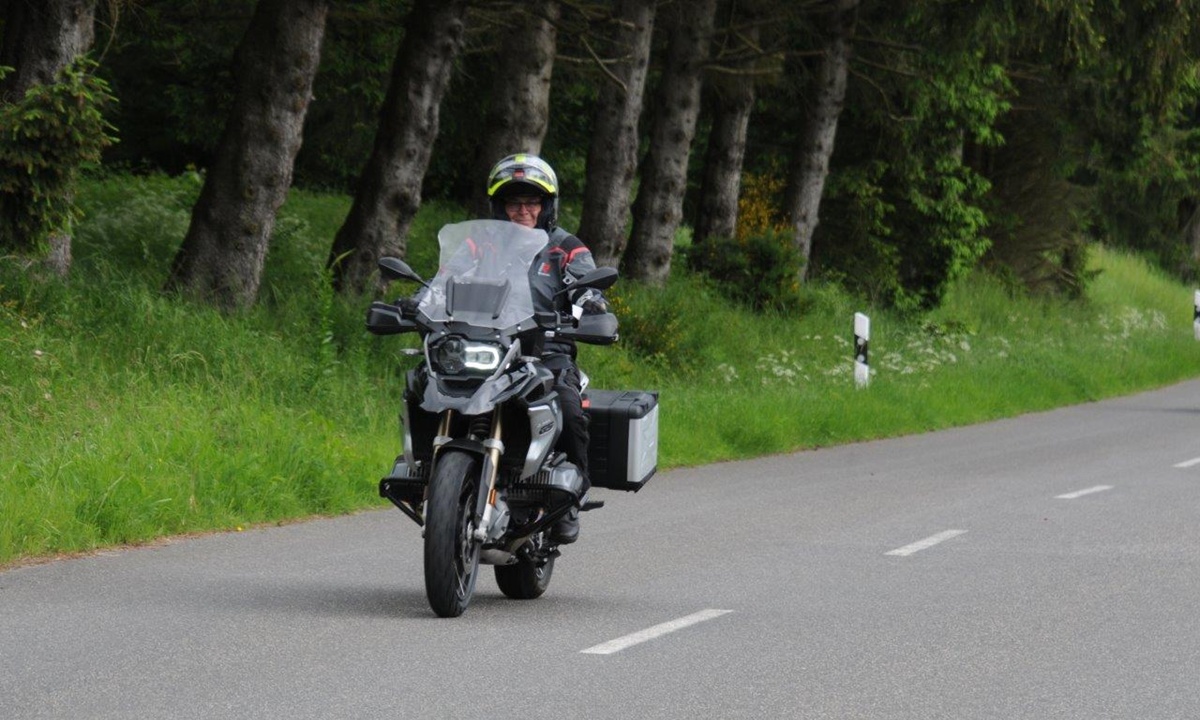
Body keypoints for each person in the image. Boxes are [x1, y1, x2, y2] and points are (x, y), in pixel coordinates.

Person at [484, 153, 607, 544]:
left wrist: (591, 301)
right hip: (487, 345)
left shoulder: (565, 246)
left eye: (531, 202)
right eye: (513, 202)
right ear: (500, 206)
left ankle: (570, 499)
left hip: (546, 349)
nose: (523, 210)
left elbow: (586, 283)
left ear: (546, 205)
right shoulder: (480, 244)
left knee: (568, 409)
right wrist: (421, 301)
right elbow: (447, 277)